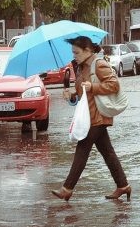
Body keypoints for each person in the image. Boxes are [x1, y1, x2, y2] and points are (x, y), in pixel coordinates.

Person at [54, 36, 132, 202]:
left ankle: (67, 189)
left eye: (77, 52)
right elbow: (83, 94)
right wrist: (72, 95)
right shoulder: (80, 67)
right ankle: (123, 185)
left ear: (88, 51)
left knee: (82, 150)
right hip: (89, 116)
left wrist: (93, 87)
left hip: (97, 116)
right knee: (107, 152)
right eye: (73, 52)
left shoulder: (99, 64)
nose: (74, 55)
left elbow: (114, 85)